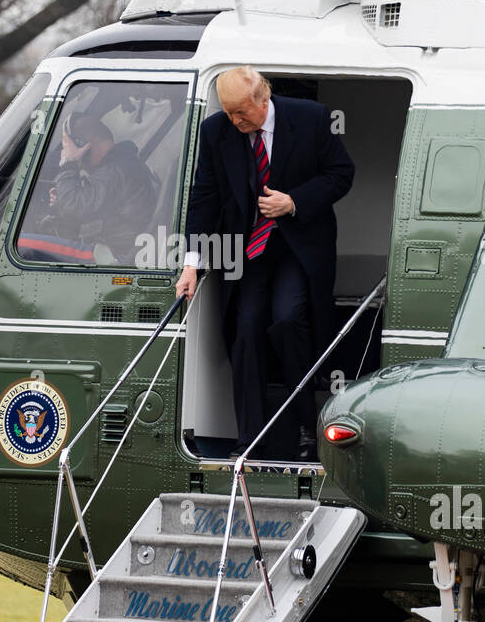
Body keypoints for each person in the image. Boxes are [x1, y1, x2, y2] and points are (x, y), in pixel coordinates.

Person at [176, 66, 354, 461]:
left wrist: (293, 201)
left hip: (297, 243)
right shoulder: (216, 130)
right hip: (246, 249)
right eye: (228, 112)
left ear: (263, 98)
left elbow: (341, 174)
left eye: (241, 112)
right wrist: (191, 263)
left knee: (288, 319)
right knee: (246, 331)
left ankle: (308, 424)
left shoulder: (310, 118)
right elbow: (203, 197)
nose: (235, 120)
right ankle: (249, 438)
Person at [42, 111, 157, 262]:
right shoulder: (122, 166)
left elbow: (74, 207)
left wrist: (68, 163)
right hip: (118, 251)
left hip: (114, 256)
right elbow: (85, 213)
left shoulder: (116, 171)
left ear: (84, 145)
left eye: (71, 149)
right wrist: (62, 202)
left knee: (22, 245)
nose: (80, 162)